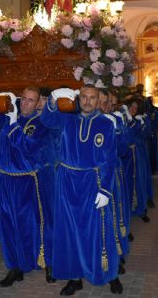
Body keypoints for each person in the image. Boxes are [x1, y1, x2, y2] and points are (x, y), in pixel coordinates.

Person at [41, 85, 123, 295]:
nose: (87, 101)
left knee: (100, 229)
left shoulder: (106, 124)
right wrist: (52, 98)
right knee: (69, 230)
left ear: (98, 101)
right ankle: (74, 276)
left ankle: (110, 273)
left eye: (92, 98)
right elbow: (46, 120)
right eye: (84, 97)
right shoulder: (67, 119)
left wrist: (105, 190)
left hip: (92, 182)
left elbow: (110, 159)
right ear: (79, 99)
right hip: (67, 182)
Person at [0, 87, 55, 286]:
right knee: (8, 225)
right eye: (23, 99)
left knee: (34, 224)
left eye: (30, 100)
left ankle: (48, 263)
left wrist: (12, 123)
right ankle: (15, 267)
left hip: (27, 181)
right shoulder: (7, 117)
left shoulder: (42, 124)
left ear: (38, 103)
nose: (25, 104)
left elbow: (28, 146)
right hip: (4, 180)